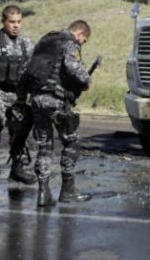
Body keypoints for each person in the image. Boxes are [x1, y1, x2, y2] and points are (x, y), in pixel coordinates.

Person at [22, 20, 93, 207]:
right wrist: (86, 81)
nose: (81, 45)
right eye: (83, 41)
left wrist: (22, 98)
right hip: (56, 100)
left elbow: (25, 69)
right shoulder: (70, 43)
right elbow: (72, 66)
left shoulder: (45, 41)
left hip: (36, 100)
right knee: (71, 142)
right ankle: (68, 191)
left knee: (44, 146)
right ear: (80, 34)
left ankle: (43, 193)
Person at [0, 5, 37, 194]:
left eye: (19, 22)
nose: (16, 26)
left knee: (19, 135)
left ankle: (17, 169)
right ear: (3, 21)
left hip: (18, 98)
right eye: (12, 22)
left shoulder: (26, 45)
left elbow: (34, 71)